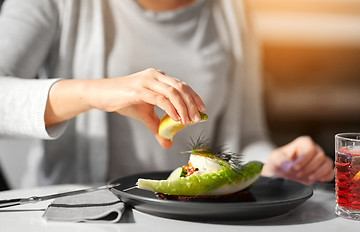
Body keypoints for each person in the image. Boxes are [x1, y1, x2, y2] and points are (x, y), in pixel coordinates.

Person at [0, 0, 333, 187]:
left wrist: (272, 165)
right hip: (80, 225)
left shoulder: (233, 10)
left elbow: (245, 138)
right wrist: (95, 92)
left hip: (194, 226)